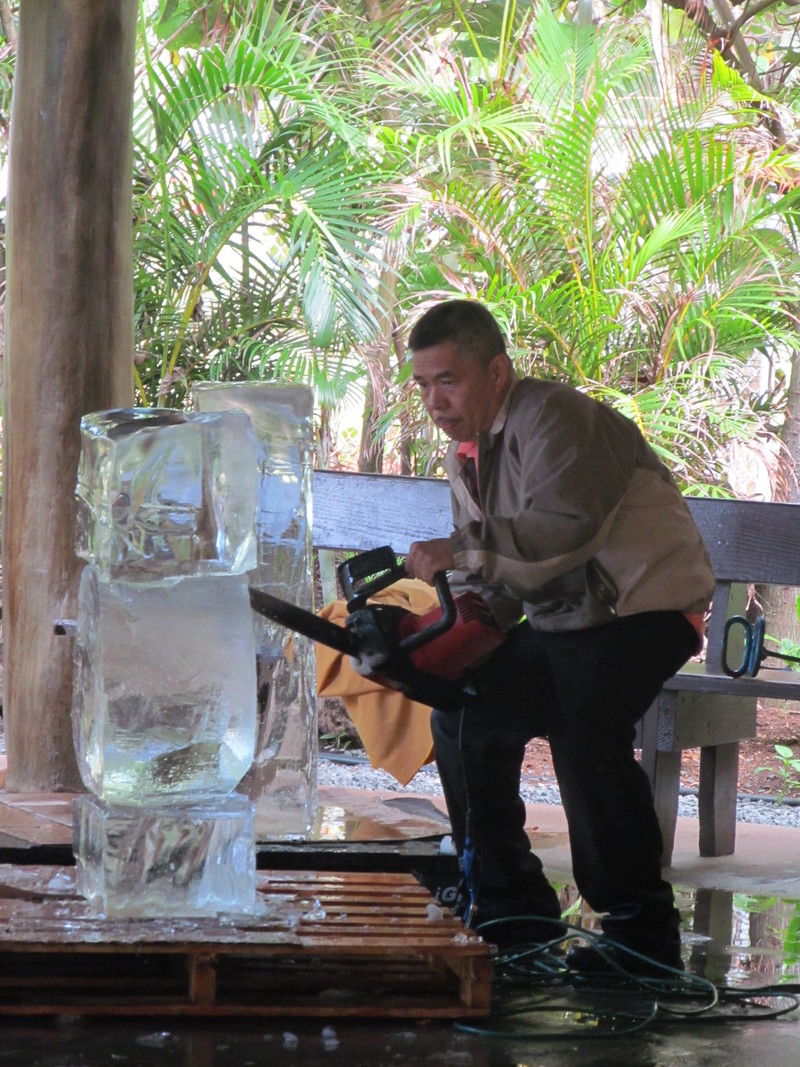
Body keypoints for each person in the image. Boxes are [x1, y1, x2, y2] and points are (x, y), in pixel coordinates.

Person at [403, 299, 715, 972]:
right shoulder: (468, 454)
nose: (434, 399)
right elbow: (499, 583)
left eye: (448, 380)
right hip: (570, 624)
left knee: (583, 725)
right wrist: (437, 642)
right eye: (423, 384)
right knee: (465, 715)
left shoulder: (554, 415)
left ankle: (641, 934)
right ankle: (511, 905)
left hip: (647, 610)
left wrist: (460, 549)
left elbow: (564, 529)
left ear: (496, 370)